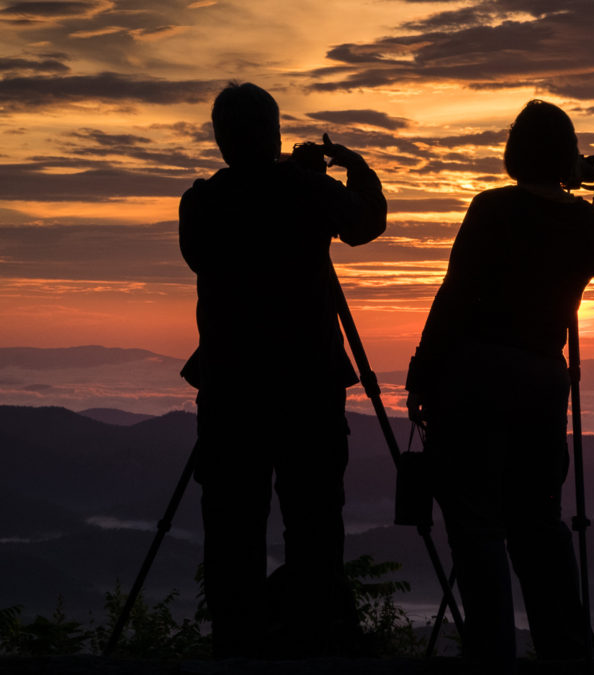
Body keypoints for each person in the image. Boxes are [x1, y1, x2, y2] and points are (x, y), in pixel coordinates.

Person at [405, 100, 594, 672]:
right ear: (568, 157)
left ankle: (493, 656)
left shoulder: (490, 209)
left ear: (515, 152)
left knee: (478, 525)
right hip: (542, 377)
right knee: (539, 522)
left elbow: (455, 295)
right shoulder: (584, 222)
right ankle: (566, 651)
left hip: (473, 375)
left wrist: (422, 369)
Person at [179, 82, 387, 658]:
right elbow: (365, 224)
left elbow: (203, 253)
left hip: (229, 389)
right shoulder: (306, 190)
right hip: (308, 388)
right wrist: (348, 168)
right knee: (315, 524)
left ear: (222, 141)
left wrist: (290, 177)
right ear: (272, 133)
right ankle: (314, 642)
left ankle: (236, 645)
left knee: (231, 529)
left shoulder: (200, 203)